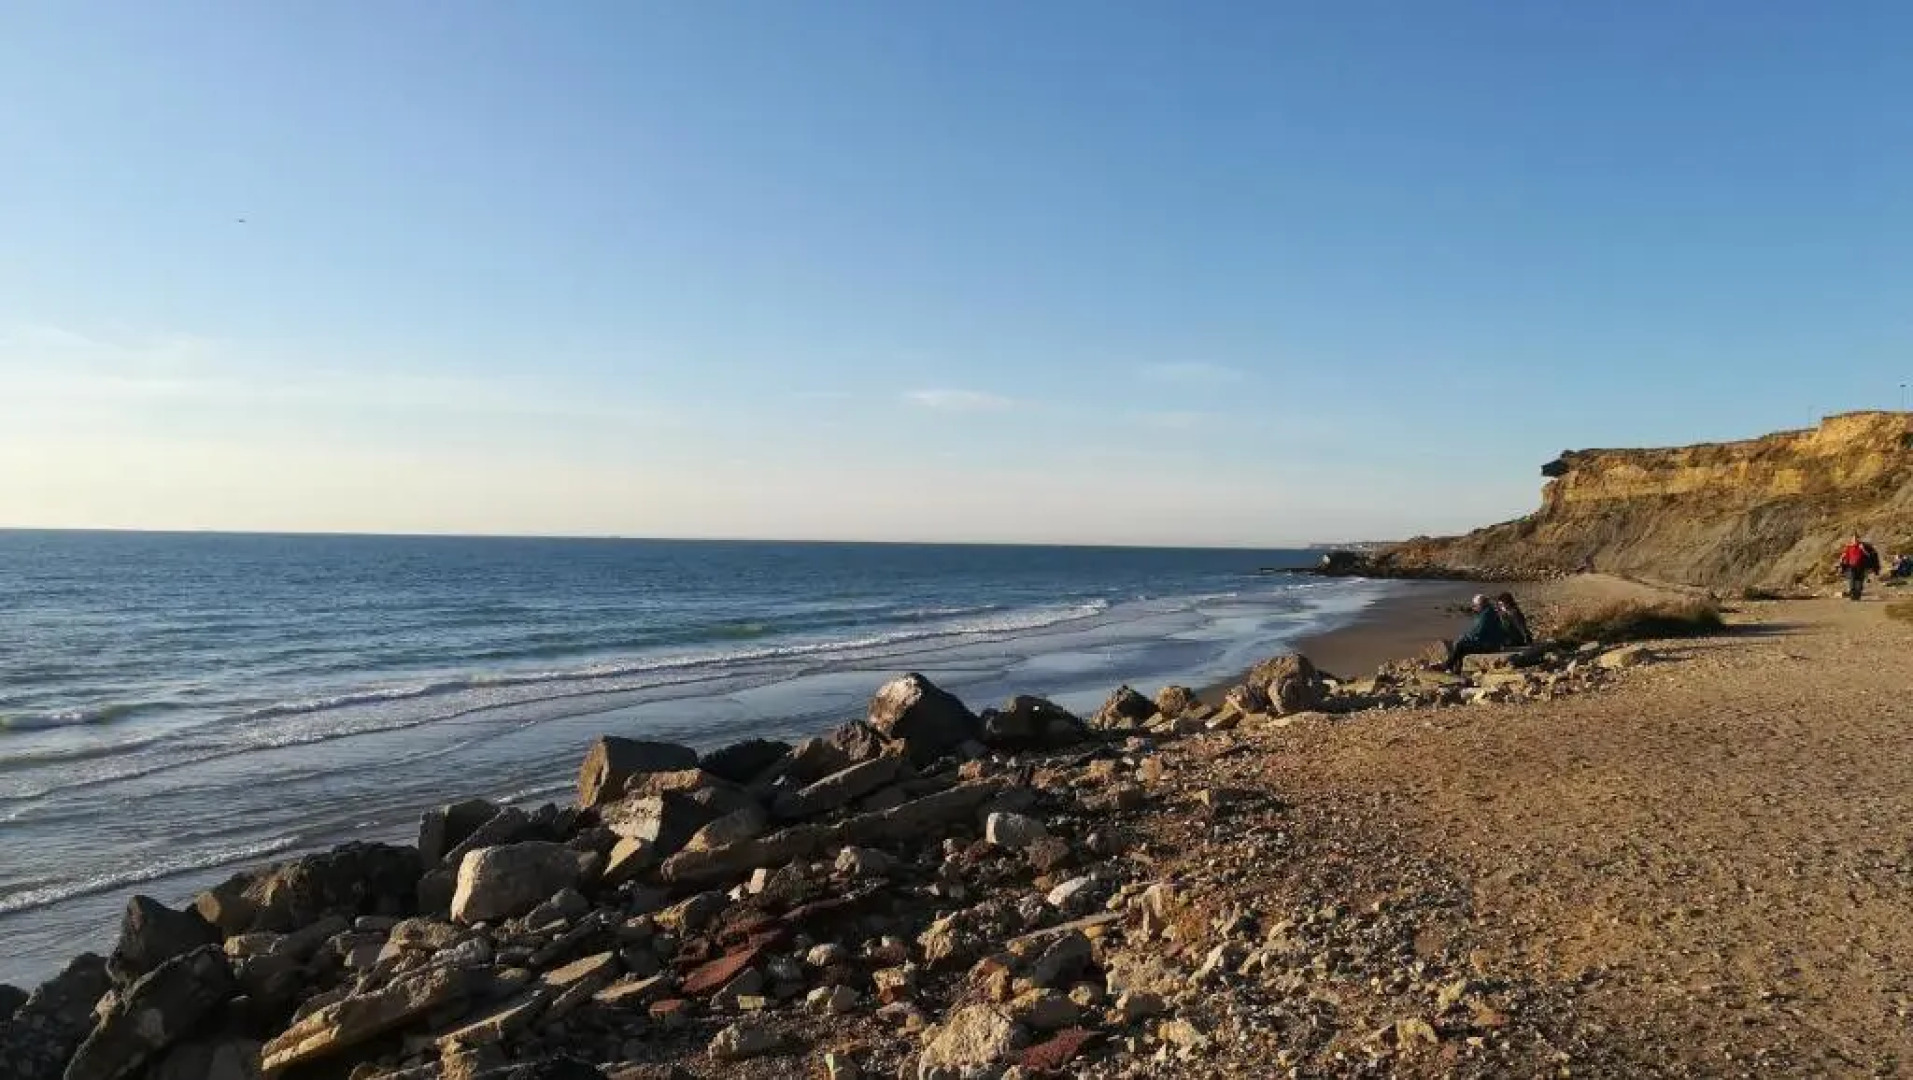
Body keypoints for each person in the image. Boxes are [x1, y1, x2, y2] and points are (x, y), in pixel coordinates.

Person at [1443, 594, 1508, 673]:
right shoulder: (1488, 612)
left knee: (1460, 645)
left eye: (1475, 605)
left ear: (1481, 604)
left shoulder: (1486, 615)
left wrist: (1464, 637)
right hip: (1492, 643)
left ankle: (1448, 666)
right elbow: (1477, 632)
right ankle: (1454, 669)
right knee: (1461, 647)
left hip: (1490, 645)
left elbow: (1477, 633)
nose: (1474, 607)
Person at [1837, 535, 1871, 600]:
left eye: (1856, 539)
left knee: (1859, 582)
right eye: (1854, 539)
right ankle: (1852, 595)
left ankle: (1857, 596)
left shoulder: (1861, 547)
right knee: (1852, 580)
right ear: (1852, 540)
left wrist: (1863, 549)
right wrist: (1840, 563)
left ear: (1858, 540)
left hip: (1861, 567)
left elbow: (1868, 555)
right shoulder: (1849, 547)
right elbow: (1843, 556)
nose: (1855, 540)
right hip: (1851, 566)